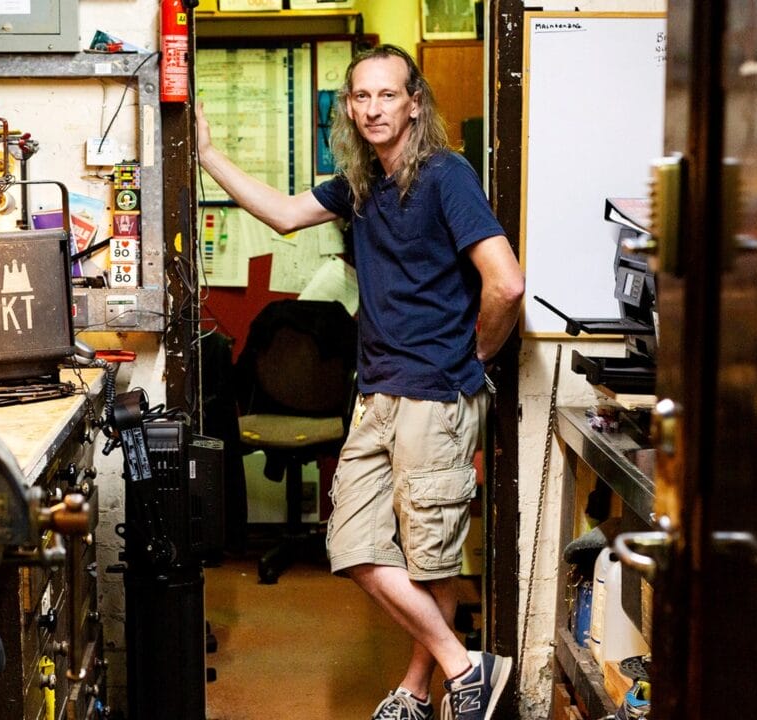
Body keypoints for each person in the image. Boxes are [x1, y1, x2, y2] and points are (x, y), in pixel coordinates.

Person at [197, 44, 524, 720]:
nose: (373, 108)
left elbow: (507, 282)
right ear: (348, 107)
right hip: (377, 393)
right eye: (361, 96)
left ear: (414, 103)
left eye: (387, 95)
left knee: (428, 556)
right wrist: (207, 156)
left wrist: (474, 357)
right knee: (353, 544)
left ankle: (419, 689)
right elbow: (285, 214)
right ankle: (466, 668)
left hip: (436, 394)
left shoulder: (445, 176)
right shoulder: (363, 182)